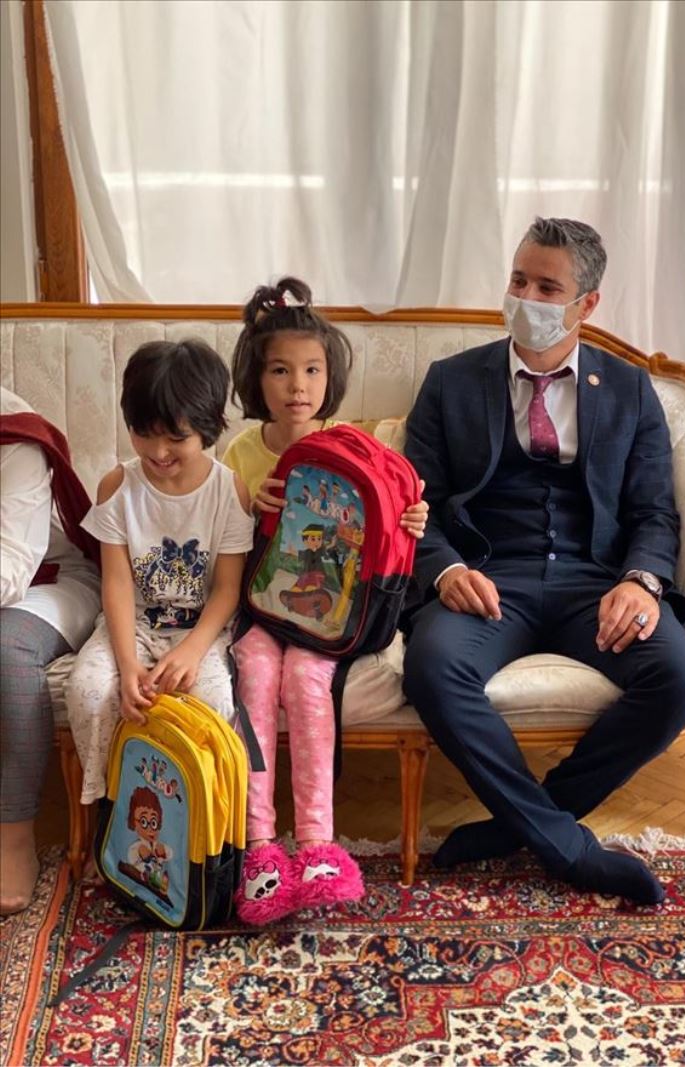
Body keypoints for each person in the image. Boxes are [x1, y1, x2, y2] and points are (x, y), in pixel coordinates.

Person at [402, 217, 685, 906]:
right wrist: (447, 570)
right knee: (432, 667)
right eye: (519, 280)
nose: (526, 298)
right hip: (487, 578)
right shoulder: (451, 382)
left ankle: (515, 828)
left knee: (680, 677)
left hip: (593, 581)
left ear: (586, 304)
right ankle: (571, 849)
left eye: (547, 288)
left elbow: (655, 512)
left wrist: (641, 581)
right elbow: (415, 501)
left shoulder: (629, 390)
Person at [223, 277, 428, 925]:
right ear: (256, 379)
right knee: (256, 671)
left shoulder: (352, 443)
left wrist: (414, 519)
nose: (298, 385)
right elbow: (225, 545)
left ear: (330, 375)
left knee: (307, 679)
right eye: (280, 370)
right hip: (261, 607)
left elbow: (395, 519)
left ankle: (317, 843)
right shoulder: (241, 452)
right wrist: (249, 508)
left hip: (332, 616)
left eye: (312, 369)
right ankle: (259, 844)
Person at [65, 340, 254, 809]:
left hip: (200, 630)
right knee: (89, 689)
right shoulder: (117, 486)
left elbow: (227, 589)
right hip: (132, 625)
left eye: (176, 438)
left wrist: (191, 651)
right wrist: (128, 663)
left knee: (214, 699)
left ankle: (202, 813)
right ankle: (111, 806)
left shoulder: (228, 490)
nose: (159, 451)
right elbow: (117, 582)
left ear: (208, 427)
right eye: (143, 434)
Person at [0, 388, 101, 914]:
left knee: (7, 647)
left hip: (50, 579)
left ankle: (14, 834)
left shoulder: (15, 435)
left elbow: (13, 563)